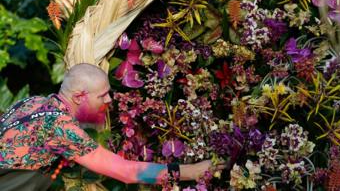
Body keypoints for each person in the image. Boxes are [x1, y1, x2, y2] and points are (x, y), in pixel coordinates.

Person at [0, 63, 224, 190]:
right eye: (102, 95)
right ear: (79, 97)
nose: (109, 100)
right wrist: (192, 171)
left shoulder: (33, 103)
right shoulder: (59, 127)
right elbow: (127, 172)